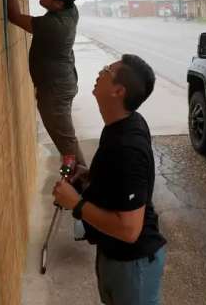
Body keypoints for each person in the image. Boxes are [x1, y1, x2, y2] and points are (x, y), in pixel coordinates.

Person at [53, 54, 167, 305]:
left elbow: (129, 230)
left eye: (106, 70)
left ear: (118, 90)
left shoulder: (128, 147)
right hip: (114, 255)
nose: (100, 72)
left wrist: (76, 204)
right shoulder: (120, 125)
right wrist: (88, 178)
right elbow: (117, 181)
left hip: (133, 264)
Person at [6, 0, 86, 167]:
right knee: (66, 141)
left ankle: (82, 186)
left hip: (55, 92)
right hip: (61, 84)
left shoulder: (54, 26)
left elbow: (14, 16)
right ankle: (78, 182)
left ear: (58, 2)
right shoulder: (69, 8)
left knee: (66, 143)